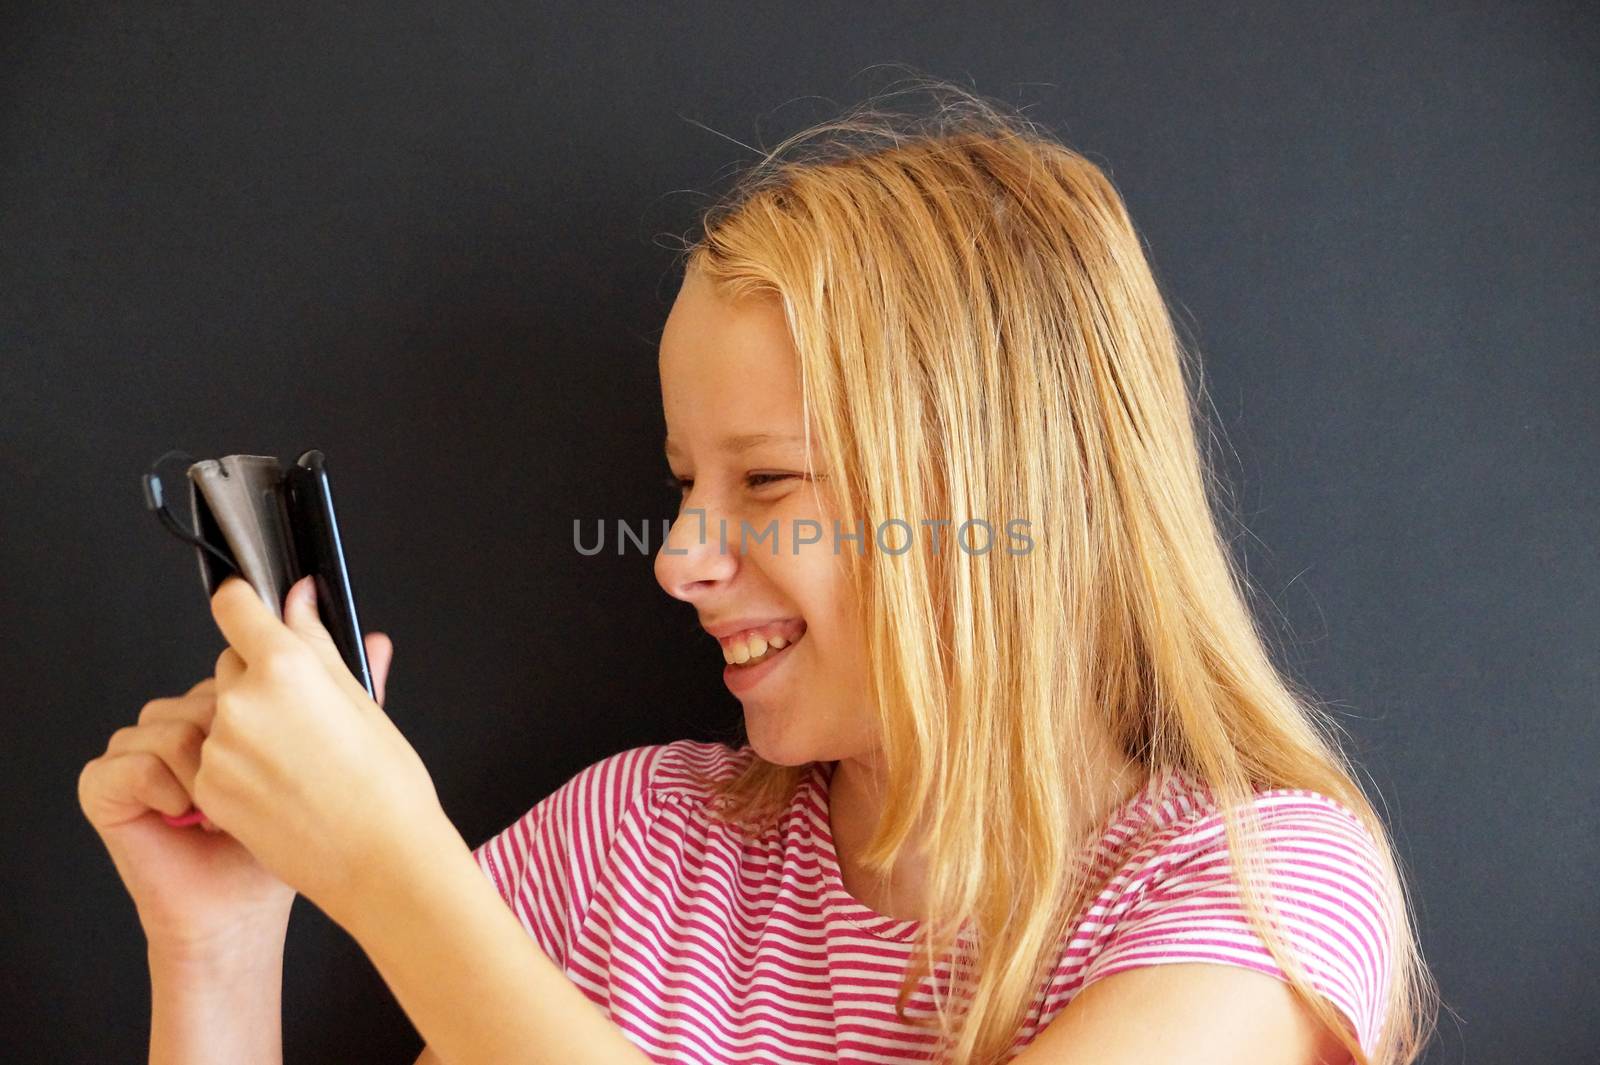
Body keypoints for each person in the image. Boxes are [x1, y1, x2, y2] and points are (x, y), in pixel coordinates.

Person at [78, 80, 1438, 1065]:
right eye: (683, 482)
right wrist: (219, 947)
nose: (678, 559)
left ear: (1003, 500)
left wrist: (389, 869)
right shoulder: (630, 844)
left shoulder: (1256, 891)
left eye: (769, 482)